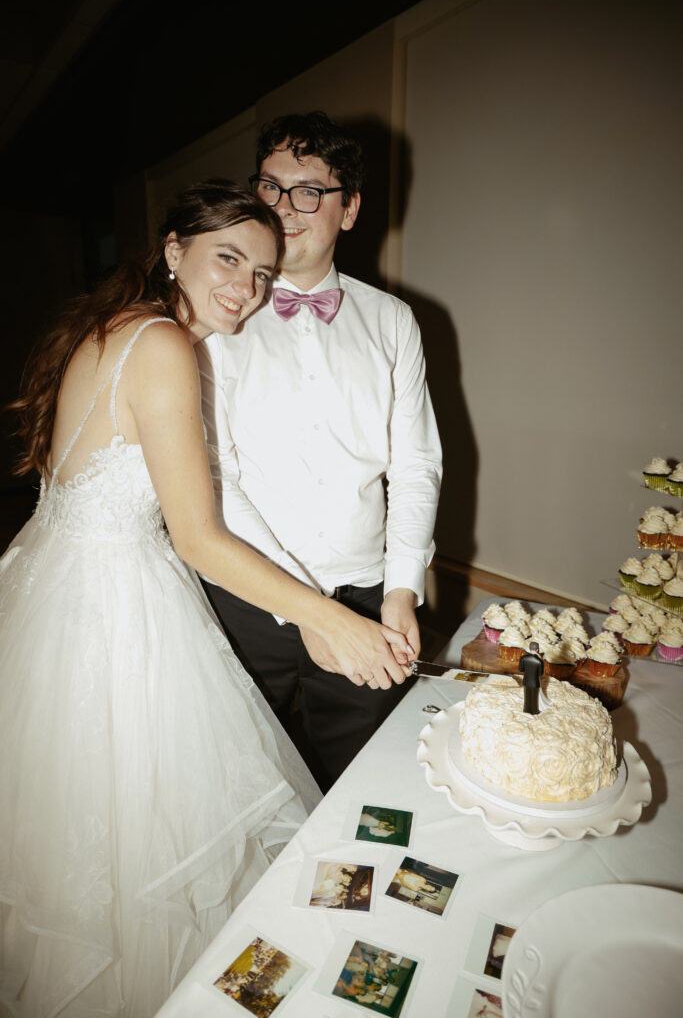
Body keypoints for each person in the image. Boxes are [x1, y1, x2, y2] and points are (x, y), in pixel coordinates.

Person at [0, 179, 411, 1018]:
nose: (247, 289)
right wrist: (329, 616)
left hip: (59, 588)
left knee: (92, 842)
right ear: (173, 249)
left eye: (263, 273)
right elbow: (197, 537)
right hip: (115, 610)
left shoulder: (111, 326)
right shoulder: (163, 345)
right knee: (148, 840)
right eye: (229, 259)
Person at [197, 111, 442, 789]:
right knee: (237, 782)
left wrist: (399, 592)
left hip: (368, 596)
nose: (284, 208)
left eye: (308, 190)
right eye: (271, 188)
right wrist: (308, 607)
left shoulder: (394, 321)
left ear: (351, 208)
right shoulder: (219, 313)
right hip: (242, 595)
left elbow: (415, 464)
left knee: (361, 785)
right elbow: (216, 477)